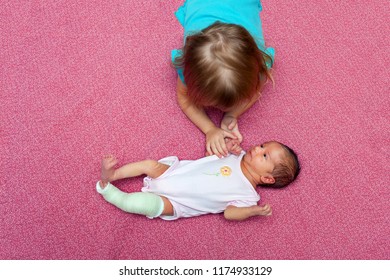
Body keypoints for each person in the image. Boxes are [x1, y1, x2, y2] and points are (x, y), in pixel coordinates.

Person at [96, 140, 300, 221]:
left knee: (143, 204)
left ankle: (111, 192)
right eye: (263, 145)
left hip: (179, 203)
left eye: (264, 156)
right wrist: (229, 146)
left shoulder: (248, 196)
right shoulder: (237, 155)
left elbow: (229, 213)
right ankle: (112, 175)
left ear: (266, 178)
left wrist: (252, 211)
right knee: (149, 165)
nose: (257, 149)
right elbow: (213, 151)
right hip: (174, 173)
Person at [172, 0, 275, 158]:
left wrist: (232, 114)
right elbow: (184, 99)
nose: (220, 109)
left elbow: (256, 91)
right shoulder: (186, 67)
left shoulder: (261, 64)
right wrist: (209, 129)